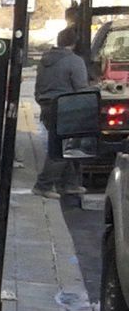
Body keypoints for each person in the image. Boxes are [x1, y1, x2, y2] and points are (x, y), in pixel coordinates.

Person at [34, 26, 92, 197]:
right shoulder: (75, 61)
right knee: (60, 149)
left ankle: (69, 184)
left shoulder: (44, 60)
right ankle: (43, 186)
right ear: (74, 44)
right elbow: (81, 88)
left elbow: (38, 88)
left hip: (47, 106)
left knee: (67, 145)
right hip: (66, 108)